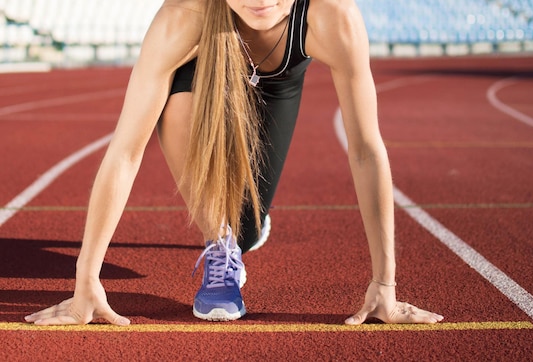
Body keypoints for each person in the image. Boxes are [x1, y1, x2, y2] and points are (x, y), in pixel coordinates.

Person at [24, 0, 444, 326]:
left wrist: (384, 284)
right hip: (200, 77)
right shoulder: (184, 15)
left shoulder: (330, 15)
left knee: (249, 225)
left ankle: (241, 231)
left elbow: (366, 150)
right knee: (176, 114)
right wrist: (86, 280)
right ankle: (220, 245)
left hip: (278, 85)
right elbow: (125, 151)